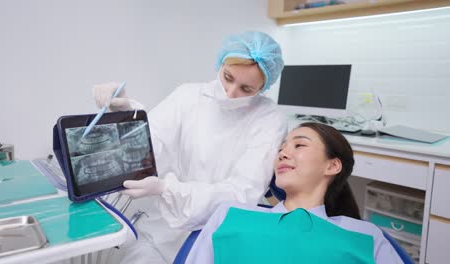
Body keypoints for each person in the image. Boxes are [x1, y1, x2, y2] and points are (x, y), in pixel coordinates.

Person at [93, 31, 287, 263]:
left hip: (219, 234)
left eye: (246, 89)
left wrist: (167, 189)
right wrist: (125, 112)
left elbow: (240, 194)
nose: (231, 92)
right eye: (228, 77)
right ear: (221, 63)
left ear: (264, 87)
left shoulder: (269, 119)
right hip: (163, 226)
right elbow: (151, 142)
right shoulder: (189, 95)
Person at [185, 122, 403, 264]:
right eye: (281, 148)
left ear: (332, 166)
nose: (283, 153)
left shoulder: (366, 236)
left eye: (299, 146)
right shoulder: (229, 215)